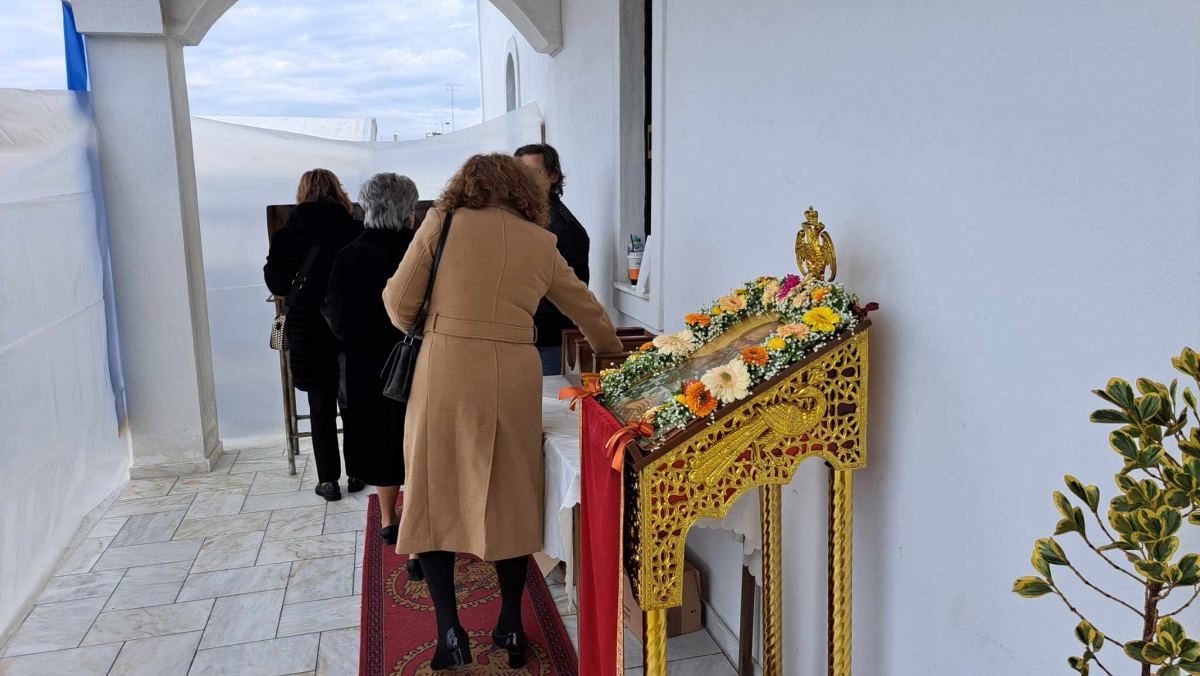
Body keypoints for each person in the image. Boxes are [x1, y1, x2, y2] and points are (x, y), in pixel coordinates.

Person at [383, 154, 623, 670]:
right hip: (513, 373)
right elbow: (588, 311)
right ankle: (511, 625)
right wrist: (614, 354)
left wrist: (441, 321)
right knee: (512, 494)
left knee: (433, 493)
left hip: (445, 369)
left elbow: (398, 304)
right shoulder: (541, 241)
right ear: (524, 191)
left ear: (464, 185)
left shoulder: (442, 221)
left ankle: (450, 634)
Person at [322, 173, 417, 546]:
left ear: (367, 208)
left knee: (380, 444)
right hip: (418, 362)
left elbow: (335, 317)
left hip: (366, 366)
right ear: (409, 210)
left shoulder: (348, 255)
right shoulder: (420, 254)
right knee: (416, 442)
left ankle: (389, 518)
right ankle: (418, 525)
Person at [264, 168, 363, 502]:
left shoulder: (286, 235)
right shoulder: (354, 230)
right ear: (338, 191)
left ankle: (328, 480)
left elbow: (277, 283)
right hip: (348, 328)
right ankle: (358, 471)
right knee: (352, 403)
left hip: (307, 329)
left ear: (302, 193)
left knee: (320, 406)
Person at [514, 143, 590, 375]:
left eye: (534, 172)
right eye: (519, 172)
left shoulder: (565, 229)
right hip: (522, 338)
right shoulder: (522, 218)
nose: (524, 179)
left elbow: (571, 294)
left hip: (547, 344)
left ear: (553, 176)